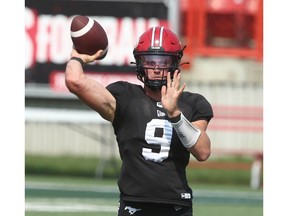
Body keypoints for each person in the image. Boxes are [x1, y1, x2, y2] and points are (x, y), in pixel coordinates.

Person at [65, 26, 213, 216]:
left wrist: (175, 114)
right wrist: (77, 57)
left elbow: (203, 152)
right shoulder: (124, 96)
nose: (157, 68)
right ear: (140, 62)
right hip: (134, 204)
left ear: (175, 63)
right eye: (151, 61)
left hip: (176, 206)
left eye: (163, 61)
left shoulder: (193, 103)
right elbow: (75, 81)